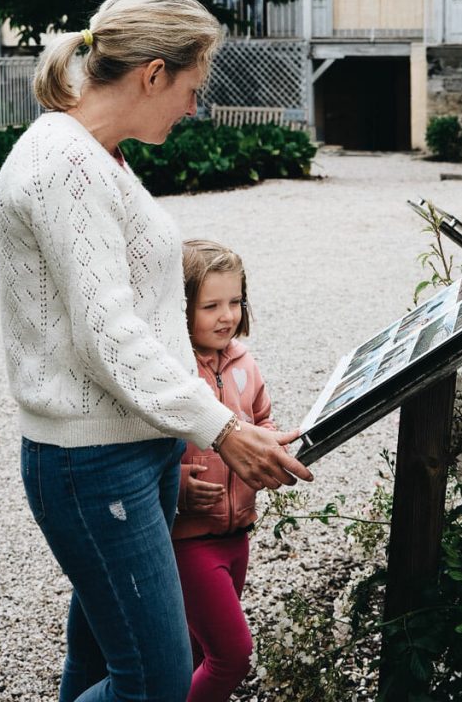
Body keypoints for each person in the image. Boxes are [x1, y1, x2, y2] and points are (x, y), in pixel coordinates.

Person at [0, 0, 312, 702]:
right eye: (191, 89)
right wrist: (223, 427)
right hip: (92, 467)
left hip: (129, 453)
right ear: (154, 73)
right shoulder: (64, 167)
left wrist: (191, 429)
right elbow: (109, 334)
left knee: (106, 664)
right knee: (156, 682)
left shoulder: (94, 154)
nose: (193, 107)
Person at [173, 240, 271, 701]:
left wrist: (271, 452)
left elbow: (263, 418)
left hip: (238, 536)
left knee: (198, 648)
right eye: (210, 305)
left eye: (235, 302)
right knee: (233, 655)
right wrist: (173, 486)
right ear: (180, 305)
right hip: (190, 541)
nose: (226, 315)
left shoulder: (244, 363)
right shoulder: (173, 372)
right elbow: (144, 446)